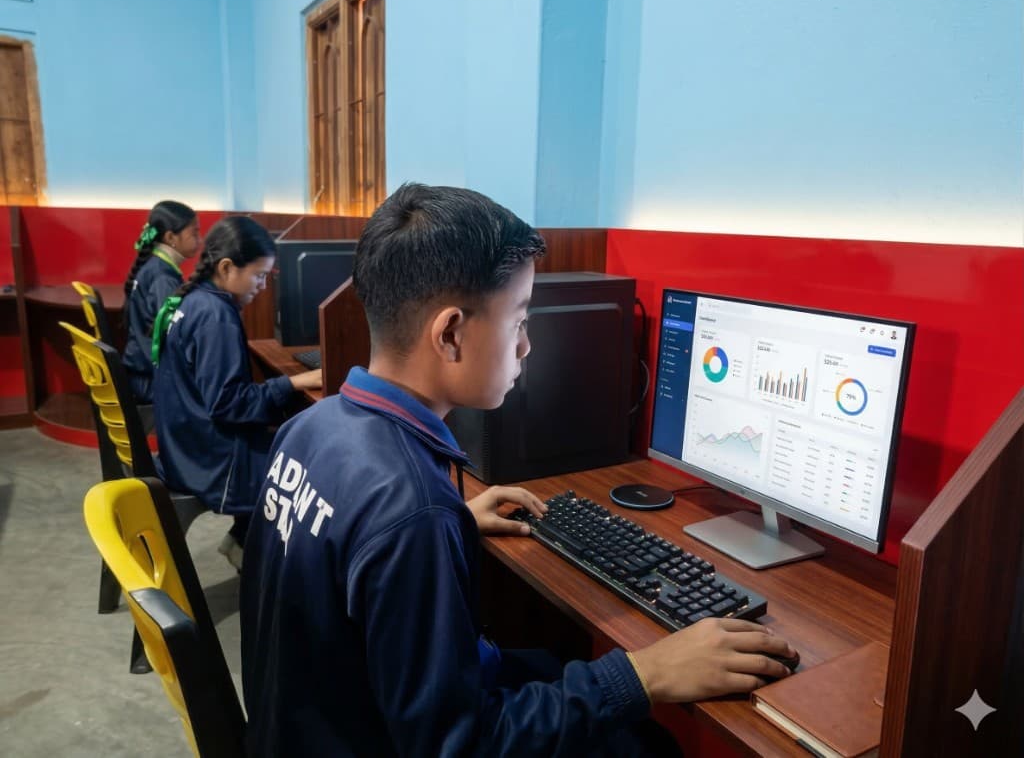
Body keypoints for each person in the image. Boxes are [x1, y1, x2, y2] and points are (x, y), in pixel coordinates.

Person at [239, 184, 797, 756]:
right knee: (646, 743)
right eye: (520, 319)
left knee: (549, 662)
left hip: (307, 727)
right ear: (451, 333)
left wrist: (451, 523)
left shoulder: (312, 427)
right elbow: (462, 745)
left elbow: (347, 558)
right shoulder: (411, 515)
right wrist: (645, 674)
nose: (527, 346)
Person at [151, 216, 321, 570]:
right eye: (259, 276)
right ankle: (262, 556)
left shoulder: (196, 300)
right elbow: (229, 405)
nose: (262, 285)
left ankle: (242, 540)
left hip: (183, 445)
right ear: (227, 267)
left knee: (285, 432)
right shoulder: (216, 317)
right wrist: (292, 383)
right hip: (208, 462)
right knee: (306, 468)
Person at [122, 200, 201, 404]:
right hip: (149, 381)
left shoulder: (156, 266)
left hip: (139, 374)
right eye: (194, 233)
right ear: (170, 238)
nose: (199, 240)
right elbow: (173, 337)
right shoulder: (163, 279)